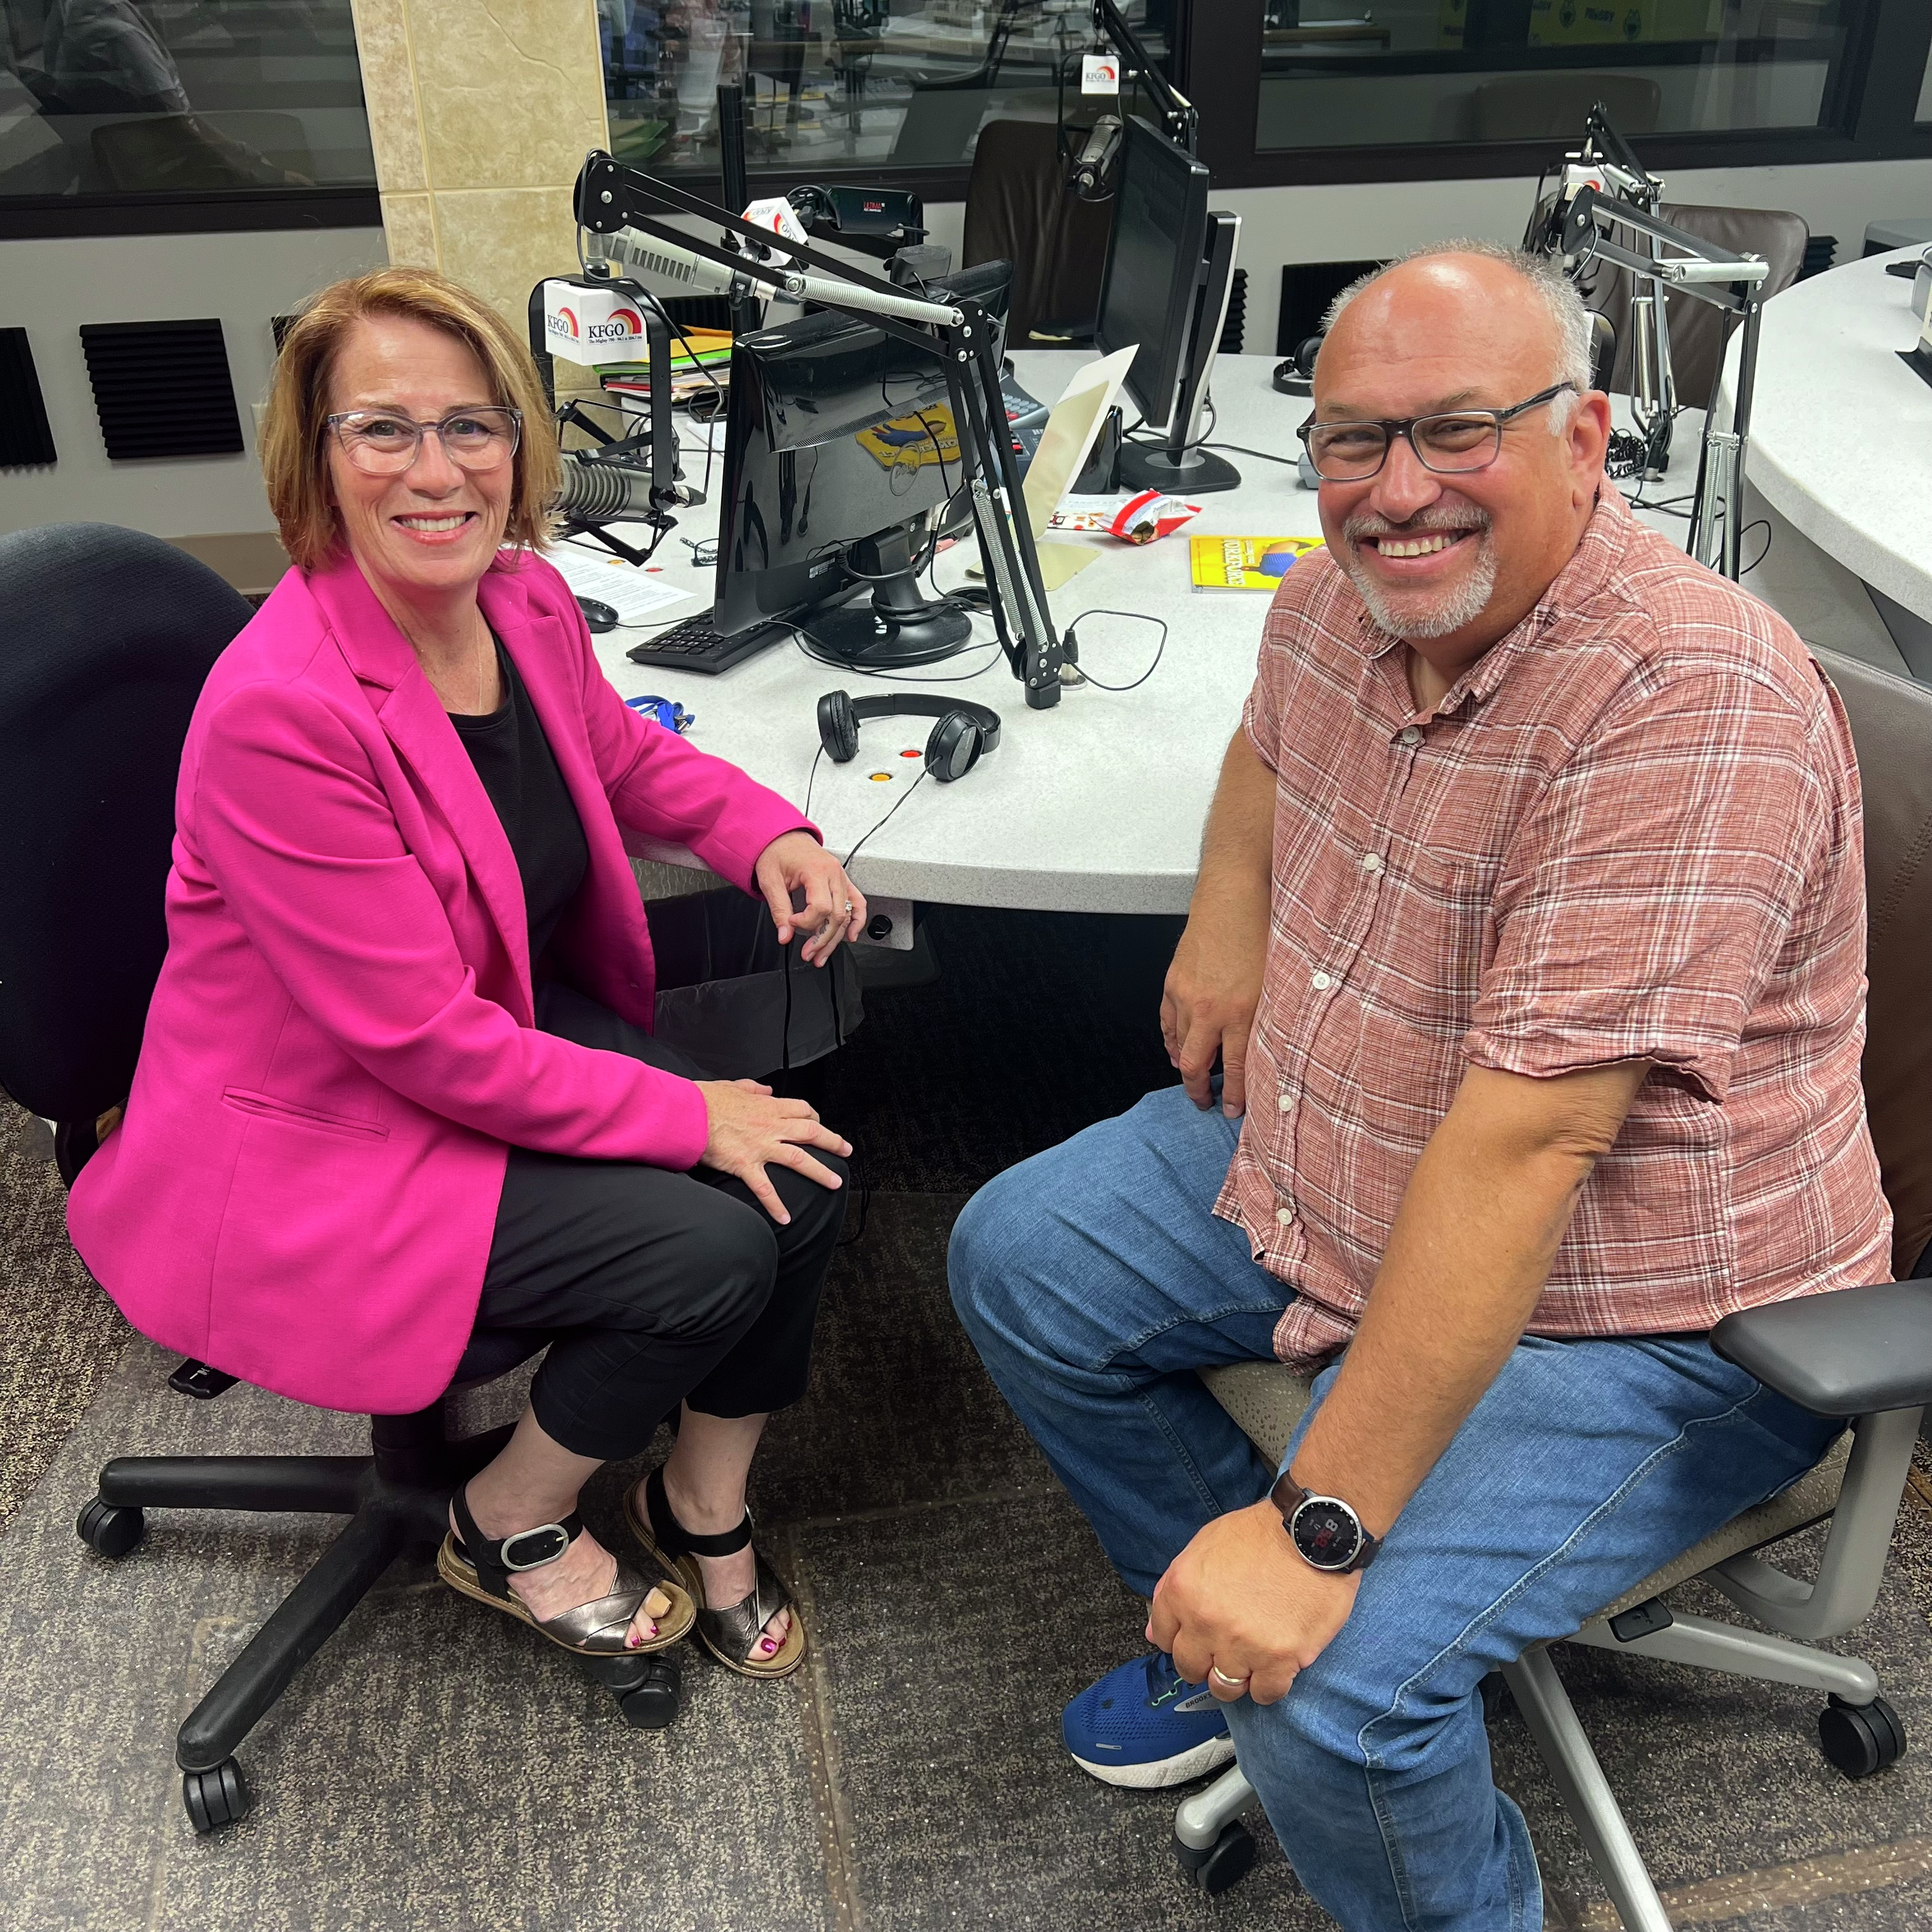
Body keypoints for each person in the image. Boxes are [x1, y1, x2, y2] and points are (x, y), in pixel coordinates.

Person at [948, 241, 1890, 1929]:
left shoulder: (1687, 698)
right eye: (1351, 442)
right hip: (1358, 1165)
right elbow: (1266, 743)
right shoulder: (1344, 595)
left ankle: (1319, 1691)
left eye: (1458, 433)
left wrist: (1319, 1532)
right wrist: (1228, 913)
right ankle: (1208, 1619)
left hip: (1651, 1305)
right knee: (1023, 1257)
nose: (1395, 493)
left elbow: (1532, 1148)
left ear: (1586, 440)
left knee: (1334, 1694)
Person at [68, 267, 866, 1682]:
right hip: (322, 1132)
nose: (436, 472)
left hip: (471, 1031)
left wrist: (764, 830)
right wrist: (691, 1118)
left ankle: (703, 1503)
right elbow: (424, 1044)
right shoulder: (282, 712)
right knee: (712, 1245)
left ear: (518, 445)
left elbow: (618, 758)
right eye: (382, 430)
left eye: (472, 427)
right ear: (315, 460)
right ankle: (507, 1518)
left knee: (795, 1175)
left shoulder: (523, 598)